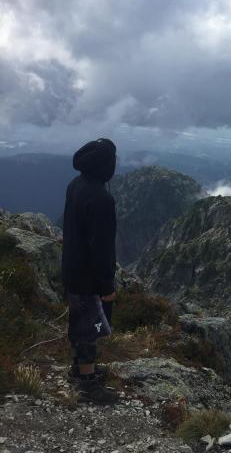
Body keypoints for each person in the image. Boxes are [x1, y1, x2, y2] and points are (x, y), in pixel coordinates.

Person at [62, 138, 118, 404]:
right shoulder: (101, 199)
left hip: (72, 268)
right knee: (90, 328)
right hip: (89, 277)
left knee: (79, 321)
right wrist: (106, 285)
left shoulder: (77, 184)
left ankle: (79, 368)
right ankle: (86, 384)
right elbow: (102, 248)